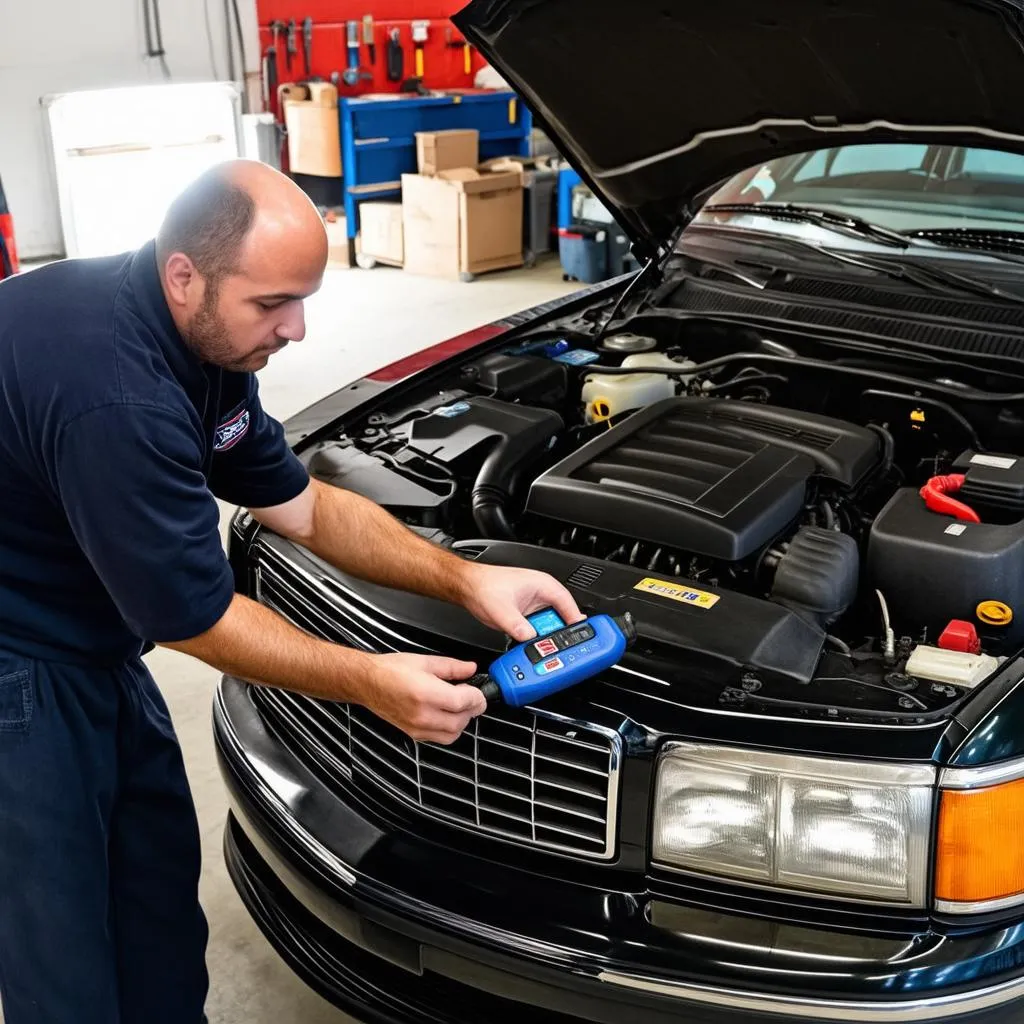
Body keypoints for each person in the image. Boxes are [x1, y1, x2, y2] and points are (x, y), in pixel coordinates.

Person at [0, 159, 582, 1024]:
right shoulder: (119, 400)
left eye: (302, 299)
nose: (298, 330)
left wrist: (468, 578)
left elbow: (305, 509)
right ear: (184, 274)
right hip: (19, 663)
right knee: (65, 955)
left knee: (155, 900)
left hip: (92, 637)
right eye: (273, 304)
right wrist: (369, 679)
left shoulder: (202, 340)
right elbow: (196, 619)